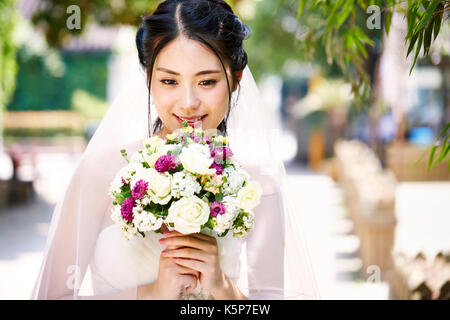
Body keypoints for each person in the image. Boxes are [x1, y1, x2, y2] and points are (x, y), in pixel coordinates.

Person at [31, 0, 320, 300]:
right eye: (169, 81)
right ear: (148, 79)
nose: (188, 102)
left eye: (207, 82)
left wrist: (224, 288)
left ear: (235, 79)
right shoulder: (100, 172)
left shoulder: (258, 184)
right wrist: (151, 294)